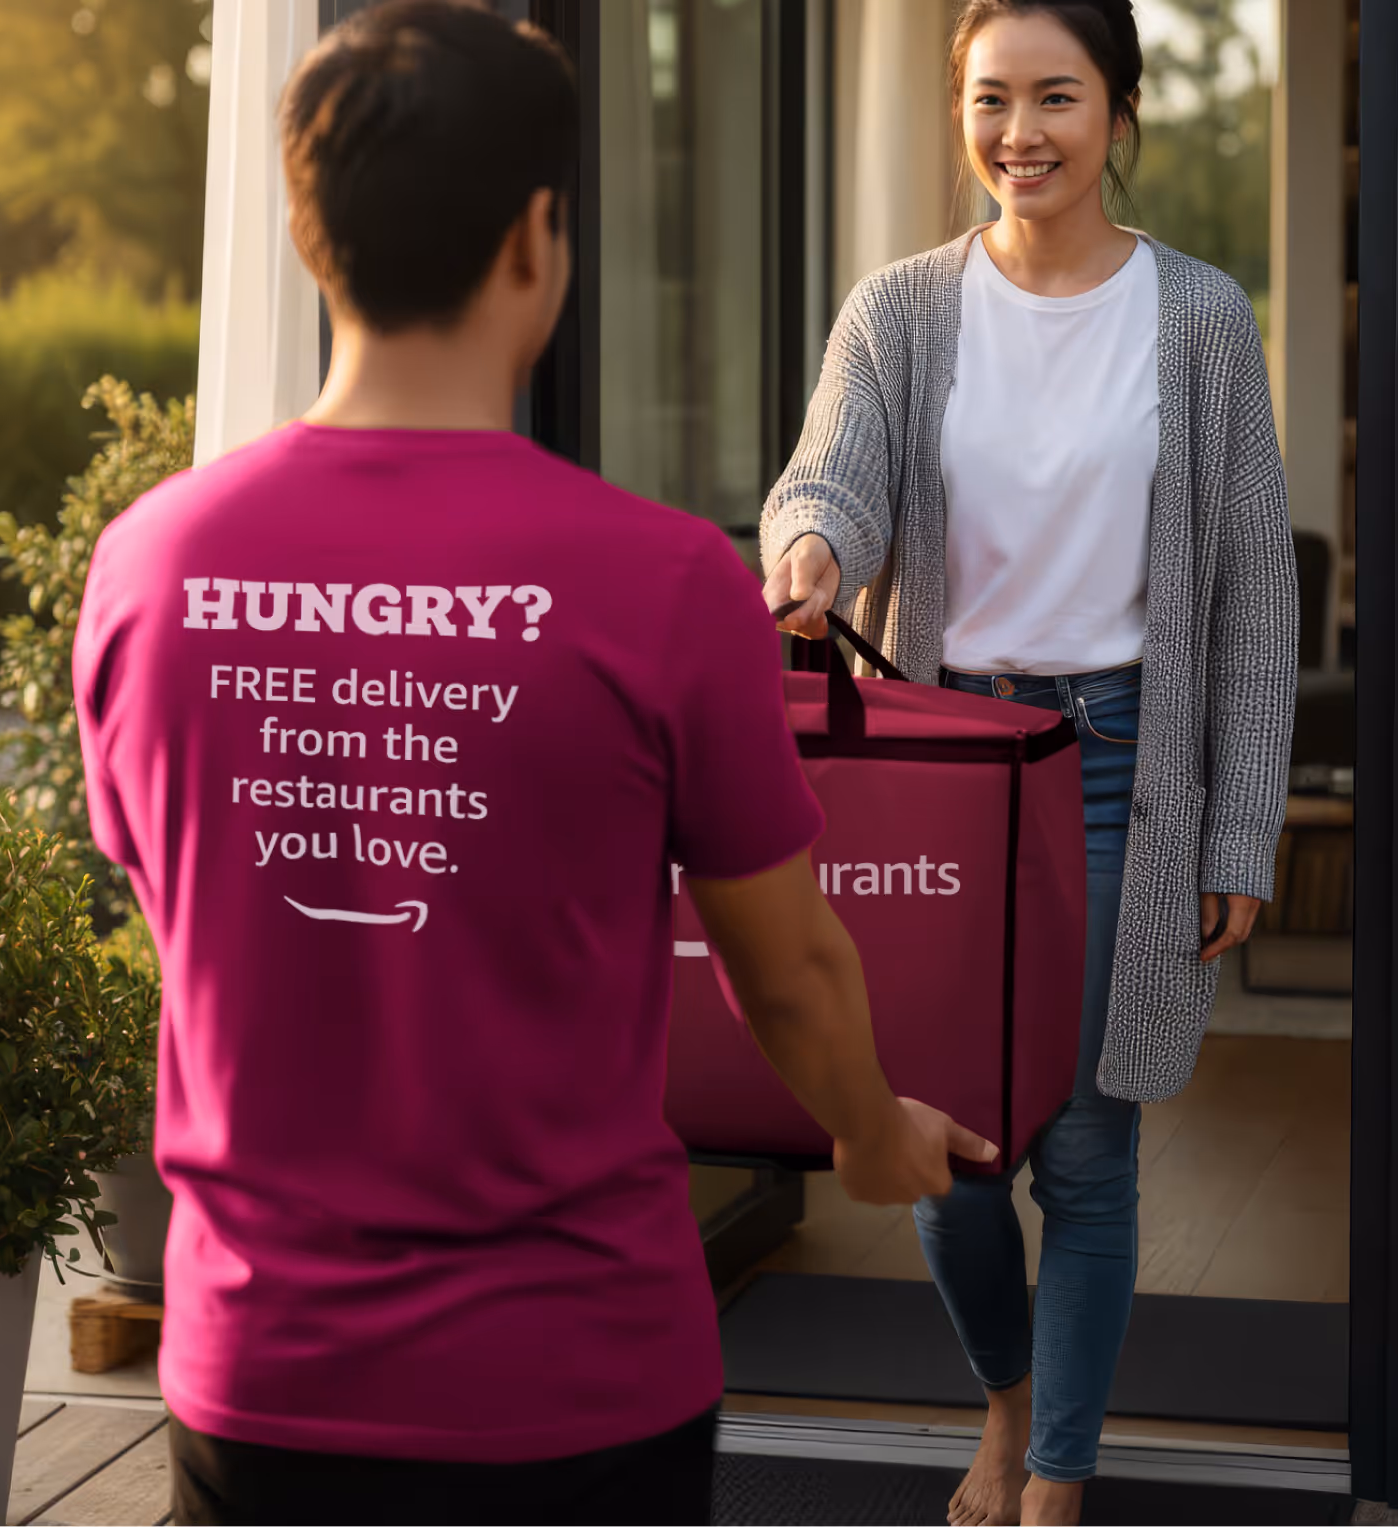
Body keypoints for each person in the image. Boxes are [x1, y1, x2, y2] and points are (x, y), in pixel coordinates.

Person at [72, 4, 994, 1524]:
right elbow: (791, 970)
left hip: (255, 1374)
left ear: (312, 237)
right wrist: (869, 1126)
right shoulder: (661, 582)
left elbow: (177, 893)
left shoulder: (148, 567)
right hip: (572, 1386)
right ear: (536, 240)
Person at [761, 1, 1297, 1524]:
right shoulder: (901, 308)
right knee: (945, 1144)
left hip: (1123, 758)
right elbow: (832, 470)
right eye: (990, 101)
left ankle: (1052, 1470)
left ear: (1118, 113)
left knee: (1088, 1142)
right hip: (946, 757)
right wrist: (807, 547)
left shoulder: (1197, 316)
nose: (1021, 136)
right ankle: (1006, 1399)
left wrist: (1237, 827)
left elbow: (1253, 588)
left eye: (1056, 99)